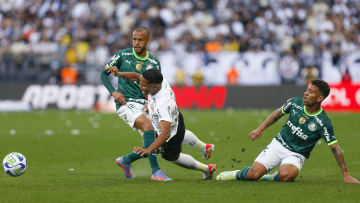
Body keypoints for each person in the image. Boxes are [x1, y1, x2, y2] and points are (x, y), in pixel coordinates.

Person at [216, 79, 359, 183]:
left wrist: (346, 174)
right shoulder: (294, 103)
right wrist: (259, 129)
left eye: (310, 92)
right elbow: (277, 114)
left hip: (297, 153)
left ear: (320, 98)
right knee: (253, 175)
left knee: (286, 176)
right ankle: (236, 174)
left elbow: (335, 149)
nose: (305, 94)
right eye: (306, 90)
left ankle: (272, 177)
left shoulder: (323, 122)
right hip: (279, 144)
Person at [107, 68, 216, 180]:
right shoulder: (159, 81)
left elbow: (166, 134)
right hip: (176, 117)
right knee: (156, 141)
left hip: (171, 133)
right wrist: (119, 74)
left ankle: (207, 169)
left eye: (143, 85)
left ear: (154, 87)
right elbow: (137, 76)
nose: (140, 86)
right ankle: (203, 146)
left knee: (172, 156)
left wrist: (149, 150)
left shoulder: (162, 104)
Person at [100, 27, 170, 181]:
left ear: (148, 41)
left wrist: (150, 102)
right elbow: (103, 74)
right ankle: (156, 172)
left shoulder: (154, 62)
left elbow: (156, 87)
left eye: (140, 40)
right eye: (134, 39)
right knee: (149, 128)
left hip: (144, 105)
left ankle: (125, 161)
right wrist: (113, 92)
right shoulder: (122, 55)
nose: (136, 43)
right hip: (126, 103)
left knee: (157, 143)